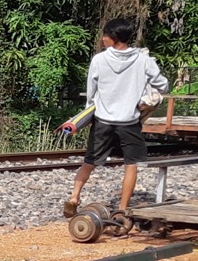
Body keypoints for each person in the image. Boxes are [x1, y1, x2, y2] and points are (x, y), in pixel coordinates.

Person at [65, 16, 168, 221]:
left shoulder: (99, 60)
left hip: (102, 120)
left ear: (114, 37)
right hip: (129, 122)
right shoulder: (143, 60)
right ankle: (121, 209)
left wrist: (87, 113)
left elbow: (91, 92)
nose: (103, 39)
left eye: (105, 35)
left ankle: (74, 197)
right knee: (131, 165)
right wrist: (145, 96)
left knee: (90, 161)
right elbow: (163, 85)